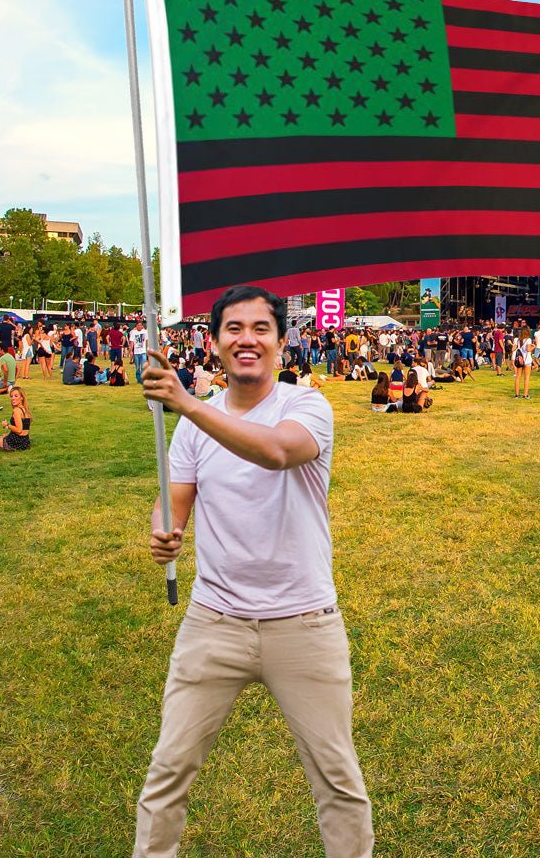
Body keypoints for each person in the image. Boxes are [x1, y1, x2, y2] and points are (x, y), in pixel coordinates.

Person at [135, 285, 374, 858]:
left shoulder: (306, 406)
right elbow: (177, 498)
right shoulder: (196, 424)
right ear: (215, 342)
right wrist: (164, 529)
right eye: (234, 328)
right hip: (213, 622)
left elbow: (275, 452)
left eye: (260, 328)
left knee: (337, 782)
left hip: (304, 622)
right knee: (167, 772)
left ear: (282, 341)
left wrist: (187, 403)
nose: (247, 339)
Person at [0, 386, 32, 452]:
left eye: (16, 396)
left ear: (22, 397)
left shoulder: (17, 410)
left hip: (13, 443)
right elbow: (24, 429)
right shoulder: (25, 410)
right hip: (25, 443)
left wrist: (7, 425)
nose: (13, 398)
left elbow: (19, 430)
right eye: (11, 396)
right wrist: (8, 434)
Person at [513, 326, 533, 399]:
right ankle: (525, 394)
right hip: (527, 360)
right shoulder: (528, 340)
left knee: (518, 377)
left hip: (519, 360)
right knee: (526, 378)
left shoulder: (518, 340)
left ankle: (516, 394)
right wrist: (533, 347)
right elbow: (528, 349)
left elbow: (513, 348)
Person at [130, 319, 149, 384]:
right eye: (138, 325)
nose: (139, 326)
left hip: (143, 351)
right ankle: (139, 379)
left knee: (143, 366)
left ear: (142, 326)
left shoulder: (145, 332)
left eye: (140, 325)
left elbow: (147, 341)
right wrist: (131, 351)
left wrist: (147, 349)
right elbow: (132, 342)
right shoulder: (133, 332)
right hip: (136, 352)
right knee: (137, 367)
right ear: (136, 326)